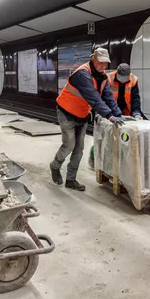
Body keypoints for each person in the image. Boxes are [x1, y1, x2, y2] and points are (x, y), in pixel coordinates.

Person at [51, 47, 125, 191]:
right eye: (100, 62)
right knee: (69, 145)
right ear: (93, 59)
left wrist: (119, 115)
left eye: (105, 63)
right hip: (67, 113)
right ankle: (55, 165)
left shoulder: (103, 77)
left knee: (79, 149)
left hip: (82, 115)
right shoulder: (82, 74)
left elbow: (108, 97)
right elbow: (94, 98)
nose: (103, 66)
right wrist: (109, 116)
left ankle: (70, 180)